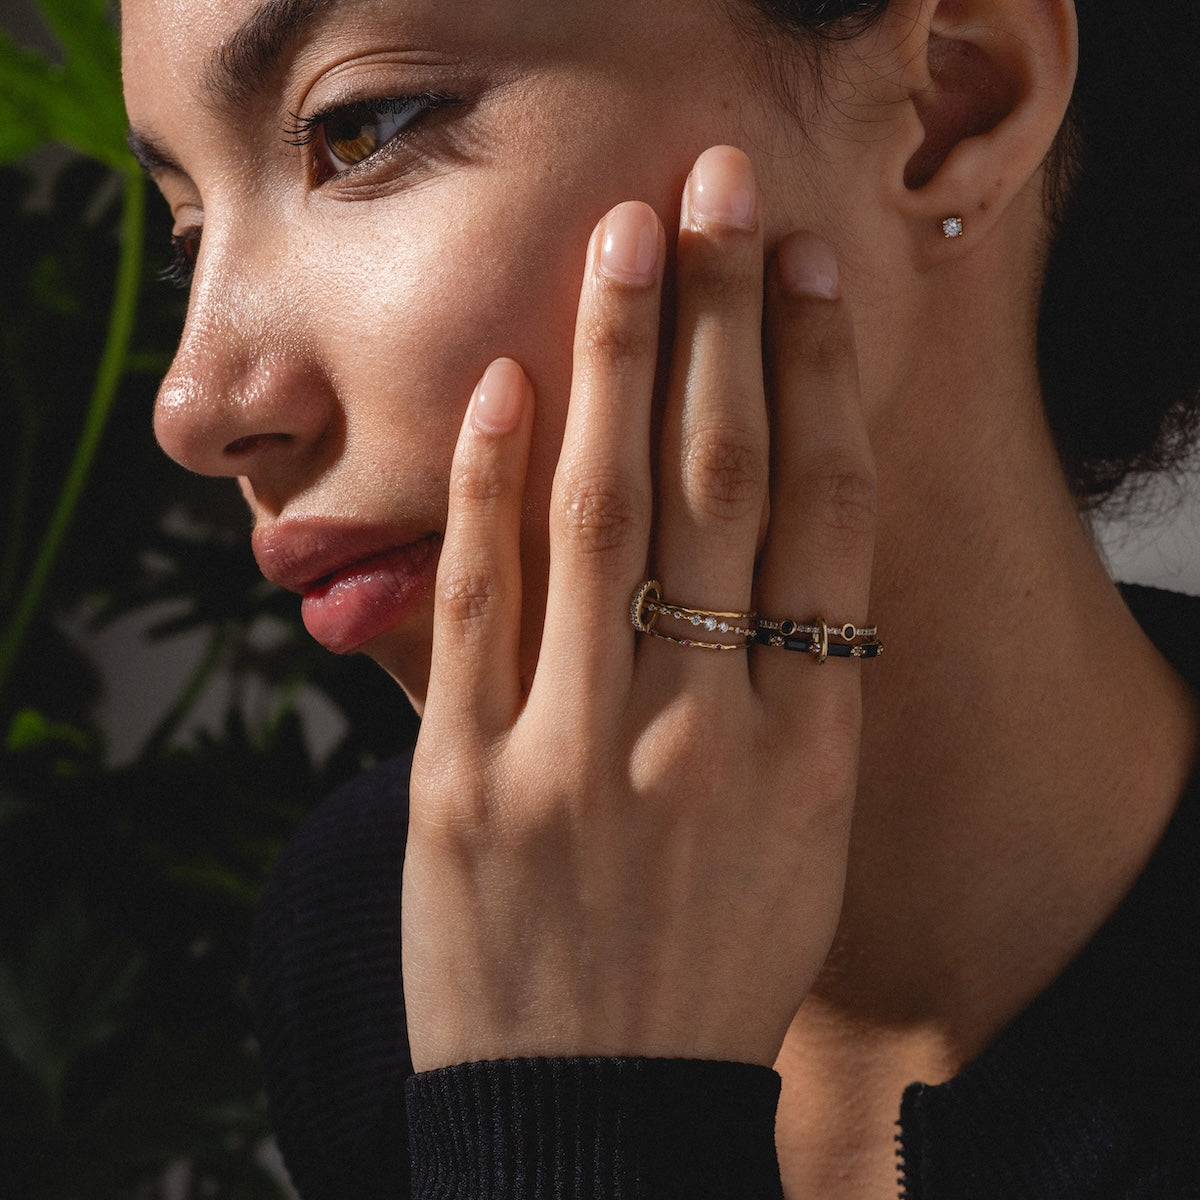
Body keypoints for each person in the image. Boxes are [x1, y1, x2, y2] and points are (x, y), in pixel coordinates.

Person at [120, 0, 1200, 1195]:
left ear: (955, 102)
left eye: (359, 129)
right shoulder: (364, 935)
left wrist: (568, 1104)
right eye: (187, 233)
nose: (193, 405)